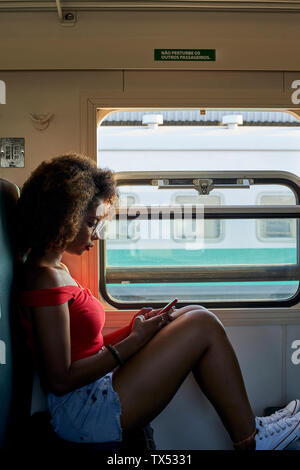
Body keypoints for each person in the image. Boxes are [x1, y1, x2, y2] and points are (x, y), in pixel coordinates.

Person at [16, 153, 300, 451]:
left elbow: (85, 348)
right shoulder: (45, 279)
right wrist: (134, 342)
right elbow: (61, 379)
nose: (96, 235)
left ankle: (250, 430)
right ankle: (252, 440)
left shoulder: (57, 270)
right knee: (202, 324)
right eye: (90, 223)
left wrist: (134, 329)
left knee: (192, 314)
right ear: (64, 217)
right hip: (82, 413)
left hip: (92, 392)